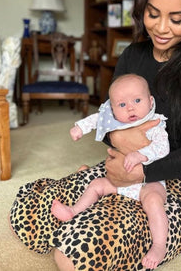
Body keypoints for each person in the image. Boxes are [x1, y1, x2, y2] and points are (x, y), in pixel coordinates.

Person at [9, 0, 181, 270]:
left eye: (177, 19)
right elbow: (107, 117)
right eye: (153, 14)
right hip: (124, 166)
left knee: (74, 256)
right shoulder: (133, 55)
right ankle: (93, 196)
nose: (162, 27)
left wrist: (144, 171)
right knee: (29, 213)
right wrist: (119, 143)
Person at [51, 74, 169, 269]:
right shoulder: (114, 119)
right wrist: (80, 128)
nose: (130, 108)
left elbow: (163, 147)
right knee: (97, 184)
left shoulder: (155, 123)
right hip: (120, 180)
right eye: (121, 105)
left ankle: (159, 245)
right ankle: (74, 210)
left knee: (155, 201)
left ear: (150, 101)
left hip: (147, 182)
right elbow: (97, 119)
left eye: (137, 101)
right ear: (112, 108)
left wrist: (141, 155)